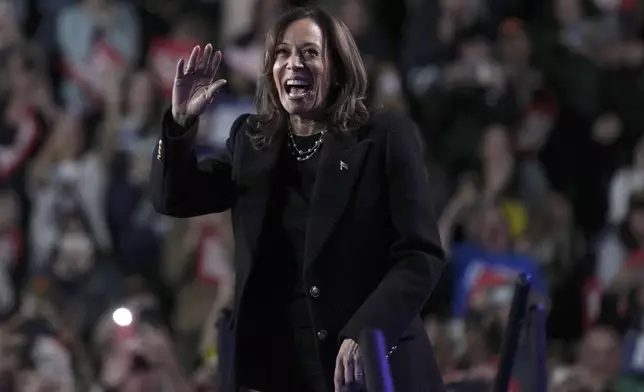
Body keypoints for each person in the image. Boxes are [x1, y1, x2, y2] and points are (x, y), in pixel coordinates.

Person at [149, 6, 446, 392]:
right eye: (282, 53)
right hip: (278, 369)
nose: (294, 64)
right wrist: (180, 124)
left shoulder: (383, 139)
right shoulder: (250, 141)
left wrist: (367, 331)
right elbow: (175, 198)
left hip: (366, 366)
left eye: (309, 52)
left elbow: (420, 255)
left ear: (338, 67)